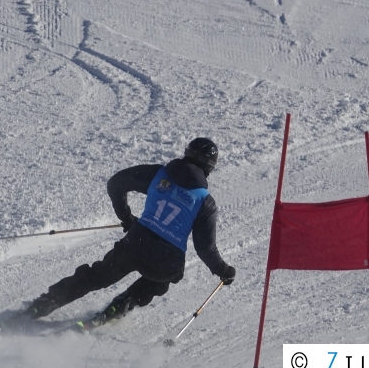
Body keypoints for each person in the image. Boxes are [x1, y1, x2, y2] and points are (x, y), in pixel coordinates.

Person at [24, 137, 236, 324]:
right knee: (161, 280)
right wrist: (224, 271)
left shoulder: (158, 174)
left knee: (96, 276)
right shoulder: (205, 202)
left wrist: (126, 218)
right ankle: (122, 304)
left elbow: (116, 183)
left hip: (136, 243)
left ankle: (46, 302)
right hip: (166, 260)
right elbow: (205, 248)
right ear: (209, 168)